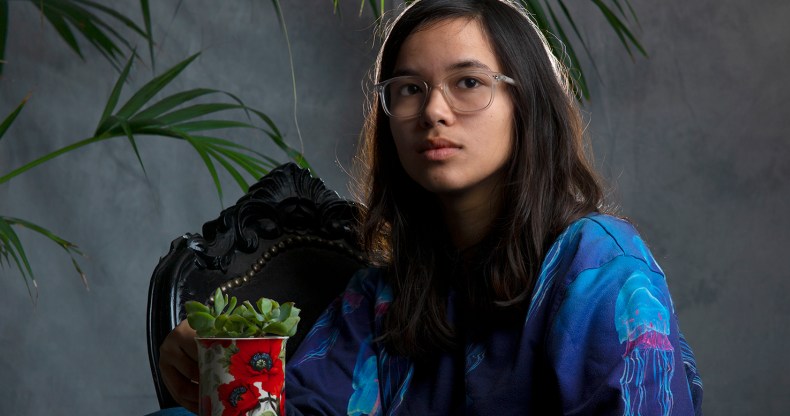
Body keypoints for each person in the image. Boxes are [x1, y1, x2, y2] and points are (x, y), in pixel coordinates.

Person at [156, 0, 703, 415]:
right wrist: (216, 383)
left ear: (528, 104)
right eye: (410, 89)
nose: (433, 111)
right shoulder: (378, 297)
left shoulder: (600, 265)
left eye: (468, 82)